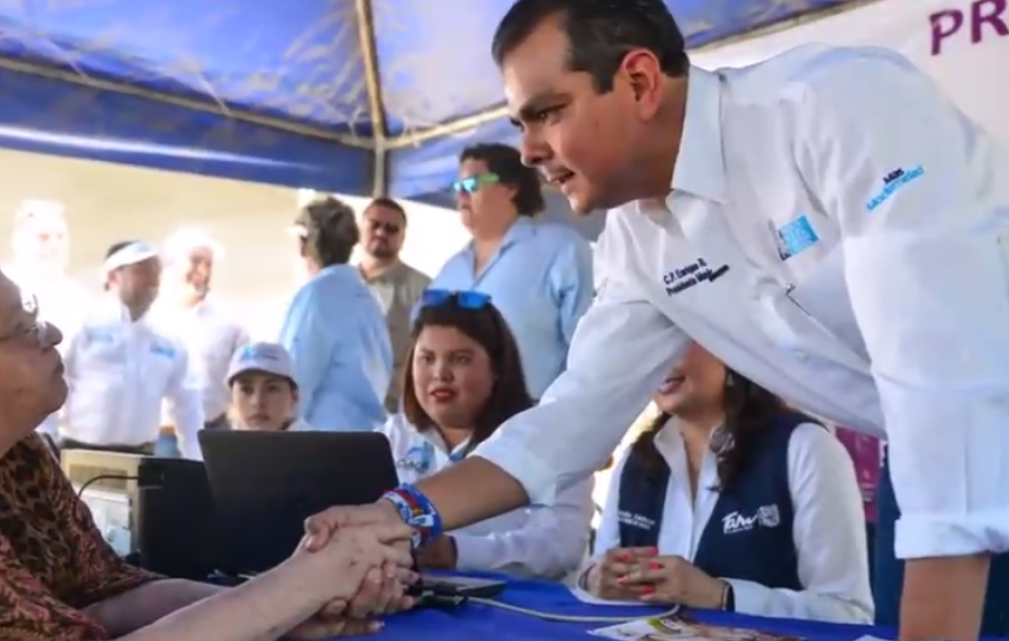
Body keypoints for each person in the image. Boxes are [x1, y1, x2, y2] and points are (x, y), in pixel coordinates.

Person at [301, 2, 1009, 639]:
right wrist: (401, 514)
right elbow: (569, 421)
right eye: (520, 124)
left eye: (548, 112)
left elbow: (942, 381)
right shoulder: (639, 240)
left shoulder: (839, 107)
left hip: (962, 444)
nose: (527, 152)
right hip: (926, 468)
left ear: (639, 82)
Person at [0, 232, 417, 641]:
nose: (53, 333)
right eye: (22, 326)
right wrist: (299, 586)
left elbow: (107, 595)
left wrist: (284, 611)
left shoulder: (18, 460)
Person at [584, 344, 871, 622]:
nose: (660, 356)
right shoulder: (638, 460)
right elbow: (599, 583)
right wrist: (597, 580)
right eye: (651, 342)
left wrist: (723, 596)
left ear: (725, 339)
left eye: (677, 339)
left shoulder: (805, 448)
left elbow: (848, 613)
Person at [378, 289, 592, 578]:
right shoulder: (392, 437)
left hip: (517, 611)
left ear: (497, 369)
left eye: (460, 359)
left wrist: (456, 552)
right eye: (427, 358)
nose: (440, 373)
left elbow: (561, 546)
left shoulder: (547, 437)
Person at [431, 143, 594, 398]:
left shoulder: (561, 249)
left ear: (510, 187)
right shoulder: (447, 272)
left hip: (536, 423)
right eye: (457, 187)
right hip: (456, 430)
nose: (461, 197)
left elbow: (588, 352)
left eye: (471, 185)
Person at [44, 241, 203, 457]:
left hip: (142, 457)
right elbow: (46, 384)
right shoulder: (80, 328)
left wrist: (197, 459)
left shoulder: (168, 341)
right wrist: (45, 445)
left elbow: (188, 406)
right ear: (113, 276)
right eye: (142, 271)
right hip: (79, 453)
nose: (152, 281)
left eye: (156, 272)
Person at [279, 196, 393, 431]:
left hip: (322, 439)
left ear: (303, 244)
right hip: (369, 438)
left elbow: (293, 381)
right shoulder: (370, 299)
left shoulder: (316, 295)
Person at [154, 227, 251, 430]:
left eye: (209, 264)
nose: (204, 272)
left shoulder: (230, 321)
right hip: (158, 432)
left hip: (213, 429)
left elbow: (247, 381)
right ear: (170, 264)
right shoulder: (148, 317)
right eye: (195, 261)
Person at [357, 197, 431, 412]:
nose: (381, 233)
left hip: (396, 412)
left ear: (402, 237)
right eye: (375, 225)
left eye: (391, 229)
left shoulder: (423, 289)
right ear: (361, 228)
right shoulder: (341, 284)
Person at [0, 199, 93, 345]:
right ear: (18, 241)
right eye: (44, 237)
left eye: (60, 237)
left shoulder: (82, 303)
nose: (55, 246)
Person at [227, 341, 311, 432]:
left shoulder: (318, 445)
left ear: (294, 396)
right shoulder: (218, 445)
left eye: (272, 388)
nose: (257, 402)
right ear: (231, 397)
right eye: (246, 389)